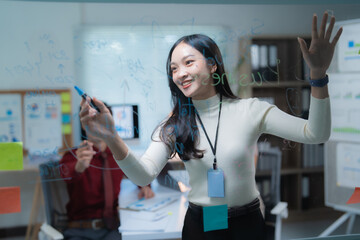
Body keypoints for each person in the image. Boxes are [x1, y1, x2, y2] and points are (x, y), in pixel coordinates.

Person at [79, 12, 342, 240]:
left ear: (212, 64)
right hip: (201, 224)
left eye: (188, 62)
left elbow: (316, 133)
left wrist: (318, 77)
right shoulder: (174, 125)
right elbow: (143, 175)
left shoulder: (250, 110)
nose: (180, 73)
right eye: (173, 68)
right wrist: (112, 137)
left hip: (247, 222)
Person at [60, 102, 154, 240]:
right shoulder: (74, 155)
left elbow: (136, 170)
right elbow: (66, 173)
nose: (96, 126)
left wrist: (145, 185)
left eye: (101, 120)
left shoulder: (118, 154)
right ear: (83, 124)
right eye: (91, 120)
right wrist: (79, 166)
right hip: (80, 229)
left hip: (112, 228)